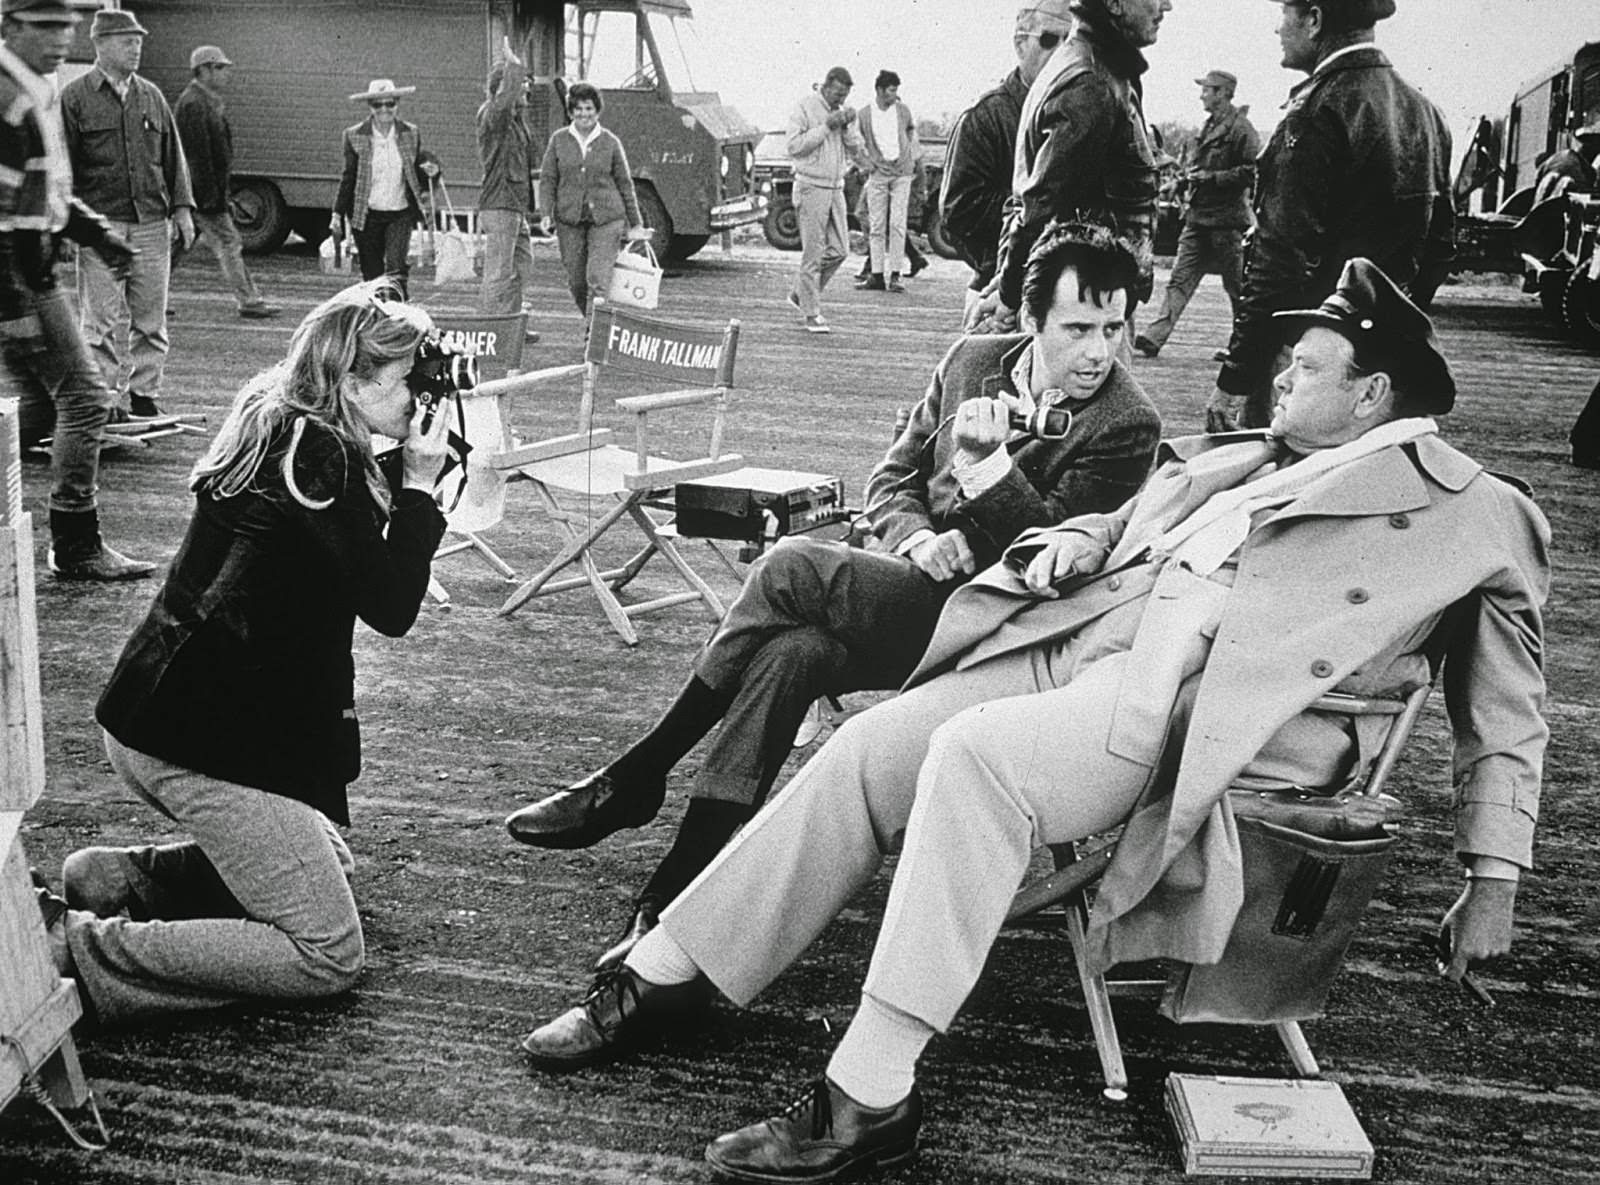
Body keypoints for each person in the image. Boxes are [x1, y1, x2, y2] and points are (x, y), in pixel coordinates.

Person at [518, 258, 1550, 1185]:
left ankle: (871, 1092)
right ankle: (668, 975)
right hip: (1073, 631)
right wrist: (1075, 538)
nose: (1280, 379)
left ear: (1372, 394)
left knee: (974, 760)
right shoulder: (1249, 453)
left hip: (1177, 704)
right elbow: (1139, 515)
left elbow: (1509, 705)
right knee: (870, 747)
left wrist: (1491, 875)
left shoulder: (1471, 509)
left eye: (1307, 368)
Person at [505, 222, 1163, 974]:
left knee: (790, 565)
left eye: (1114, 328)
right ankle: (672, 895)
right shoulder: (970, 361)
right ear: (1030, 320)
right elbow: (892, 477)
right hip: (911, 585)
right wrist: (917, 537)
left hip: (999, 630)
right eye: (1078, 328)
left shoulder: (1126, 423)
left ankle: (637, 774)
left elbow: (1056, 559)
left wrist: (985, 476)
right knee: (793, 653)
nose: (1099, 351)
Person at [31, 281, 453, 1025]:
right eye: (406, 380)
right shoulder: (323, 463)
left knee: (331, 859)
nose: (419, 399)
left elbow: (331, 541)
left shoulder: (282, 418)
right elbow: (390, 604)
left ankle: (117, 879)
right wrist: (420, 489)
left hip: (152, 715)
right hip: (196, 745)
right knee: (326, 949)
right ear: (352, 382)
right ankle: (82, 946)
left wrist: (403, 477)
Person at [1206, 0, 1454, 432]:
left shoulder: (1312, 113)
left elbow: (1276, 259)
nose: (1278, 29)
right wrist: (1388, 333)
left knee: (1278, 481)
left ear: (1315, 19)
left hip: (1306, 358)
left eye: (1286, 13)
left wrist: (1236, 377)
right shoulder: (1426, 112)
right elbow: (1440, 245)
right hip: (1378, 366)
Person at [1, 0, 151, 581]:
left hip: (30, 271)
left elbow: (51, 192)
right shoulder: (8, 100)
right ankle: (77, 541)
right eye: (45, 27)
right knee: (86, 399)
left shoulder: (35, 87)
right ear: (11, 28)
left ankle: (71, 539)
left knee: (39, 408)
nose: (62, 38)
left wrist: (98, 234)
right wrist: (14, 306)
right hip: (19, 277)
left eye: (67, 26)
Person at [974, 0, 1172, 335]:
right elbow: (1043, 203)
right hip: (1085, 307)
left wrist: (1008, 283)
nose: (1166, 6)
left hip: (1087, 299)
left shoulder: (1090, 66)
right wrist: (1009, 297)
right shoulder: (1092, 82)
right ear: (1114, 3)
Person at [60, 4, 194, 421]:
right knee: (98, 322)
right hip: (101, 228)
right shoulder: (76, 99)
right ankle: (101, 401)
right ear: (100, 45)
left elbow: (174, 158)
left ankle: (143, 396)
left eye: (138, 42)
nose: (135, 49)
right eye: (126, 42)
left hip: (152, 225)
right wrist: (66, 227)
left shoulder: (151, 96)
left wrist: (183, 209)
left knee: (151, 320)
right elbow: (63, 167)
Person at [939, 1, 1076, 324]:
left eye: (1069, 42)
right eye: (1048, 40)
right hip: (1003, 295)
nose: (1060, 52)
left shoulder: (1088, 110)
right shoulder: (986, 117)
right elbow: (959, 210)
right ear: (1020, 43)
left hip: (1078, 296)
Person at [1134, 70, 1259, 358]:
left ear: (1223, 93)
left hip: (1226, 224)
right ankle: (1154, 338)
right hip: (1198, 220)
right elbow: (1198, 170)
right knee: (1179, 280)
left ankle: (1245, 346)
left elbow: (1251, 171)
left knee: (1236, 287)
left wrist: (1212, 178)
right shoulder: (1208, 127)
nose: (1202, 94)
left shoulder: (1242, 129)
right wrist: (1182, 181)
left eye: (1207, 89)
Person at [173, 44, 279, 320]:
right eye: (220, 68)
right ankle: (250, 301)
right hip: (201, 194)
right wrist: (211, 199)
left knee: (177, 245)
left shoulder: (204, 101)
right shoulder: (194, 104)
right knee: (230, 242)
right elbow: (197, 157)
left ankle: (146, 299)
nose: (225, 73)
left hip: (200, 193)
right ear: (203, 70)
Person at [538, 82, 649, 316]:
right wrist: (546, 213)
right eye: (578, 109)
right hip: (569, 220)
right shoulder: (558, 140)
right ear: (570, 112)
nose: (583, 114)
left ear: (597, 111)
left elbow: (624, 184)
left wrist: (636, 223)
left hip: (607, 220)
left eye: (588, 108)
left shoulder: (610, 142)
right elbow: (548, 179)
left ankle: (594, 336)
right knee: (576, 282)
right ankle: (595, 322)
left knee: (597, 279)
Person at [331, 78, 440, 299]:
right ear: (369, 107)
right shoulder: (354, 135)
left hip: (400, 212)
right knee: (372, 275)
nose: (384, 110)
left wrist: (433, 170)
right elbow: (349, 176)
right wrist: (337, 214)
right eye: (377, 105)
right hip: (367, 214)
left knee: (396, 267)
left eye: (390, 104)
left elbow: (417, 165)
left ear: (397, 104)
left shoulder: (411, 132)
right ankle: (378, 319)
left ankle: (401, 316)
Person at [784, 66, 866, 334]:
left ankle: (801, 293)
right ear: (827, 86)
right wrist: (825, 126)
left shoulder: (842, 110)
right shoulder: (804, 107)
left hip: (835, 187)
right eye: (837, 94)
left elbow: (855, 147)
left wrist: (849, 125)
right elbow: (794, 147)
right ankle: (811, 312)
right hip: (810, 186)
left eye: (845, 95)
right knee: (813, 251)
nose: (840, 100)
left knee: (841, 250)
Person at [476, 36, 539, 333]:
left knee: (521, 266)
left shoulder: (515, 123)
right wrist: (512, 66)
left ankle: (509, 326)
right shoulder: (494, 116)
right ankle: (489, 332)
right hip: (500, 205)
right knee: (499, 273)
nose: (527, 88)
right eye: (520, 84)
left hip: (513, 206)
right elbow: (501, 103)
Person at [853, 71, 918, 293]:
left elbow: (910, 130)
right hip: (878, 173)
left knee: (897, 224)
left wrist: (908, 154)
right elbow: (855, 142)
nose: (894, 95)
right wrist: (866, 163)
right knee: (877, 225)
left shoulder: (902, 110)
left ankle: (896, 275)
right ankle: (877, 275)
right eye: (891, 90)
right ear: (880, 90)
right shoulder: (864, 114)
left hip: (901, 172)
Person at [1533, 113, 1600, 204]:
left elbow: (1537, 185)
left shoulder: (1548, 165)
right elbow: (1591, 175)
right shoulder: (1570, 156)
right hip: (1576, 184)